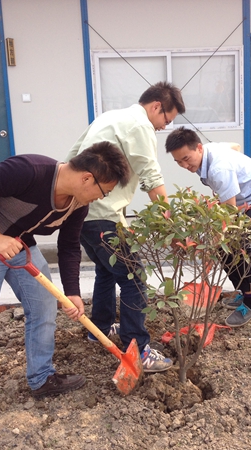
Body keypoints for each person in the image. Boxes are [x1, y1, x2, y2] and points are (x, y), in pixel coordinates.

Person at [0, 142, 130, 434]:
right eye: (104, 190)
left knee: (45, 307)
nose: (103, 197)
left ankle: (42, 378)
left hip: (19, 245)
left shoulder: (77, 203)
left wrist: (71, 292)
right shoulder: (29, 171)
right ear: (87, 178)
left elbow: (69, 245)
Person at [65, 81, 185, 373]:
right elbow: (151, 177)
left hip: (83, 213)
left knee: (107, 271)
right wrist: (172, 229)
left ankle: (100, 329)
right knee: (134, 278)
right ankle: (139, 349)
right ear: (156, 106)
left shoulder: (109, 117)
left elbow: (73, 156)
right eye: (165, 120)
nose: (163, 127)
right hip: (102, 213)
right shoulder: (139, 125)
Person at [165, 127, 251, 327]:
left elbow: (228, 215)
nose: (184, 165)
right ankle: (245, 293)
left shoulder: (219, 169)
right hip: (244, 202)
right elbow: (234, 146)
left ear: (198, 148)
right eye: (178, 162)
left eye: (186, 158)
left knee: (234, 245)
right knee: (225, 246)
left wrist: (210, 249)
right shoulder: (208, 152)